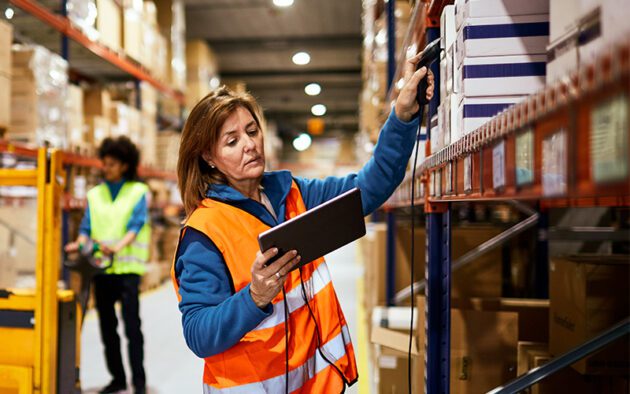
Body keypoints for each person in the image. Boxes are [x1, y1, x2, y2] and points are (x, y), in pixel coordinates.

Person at [172, 54, 433, 393]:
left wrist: (401, 116)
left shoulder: (291, 193)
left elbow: (368, 189)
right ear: (209, 157)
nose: (250, 145)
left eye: (252, 131)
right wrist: (253, 298)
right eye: (232, 141)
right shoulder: (203, 233)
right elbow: (198, 334)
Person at [65, 136, 150, 394]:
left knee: (132, 328)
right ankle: (118, 379)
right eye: (105, 163)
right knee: (107, 329)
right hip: (101, 270)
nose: (106, 167)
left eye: (112, 163)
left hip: (127, 271)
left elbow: (136, 225)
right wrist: (78, 244)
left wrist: (118, 245)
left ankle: (138, 382)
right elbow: (86, 227)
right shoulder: (95, 194)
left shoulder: (138, 192)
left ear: (125, 165)